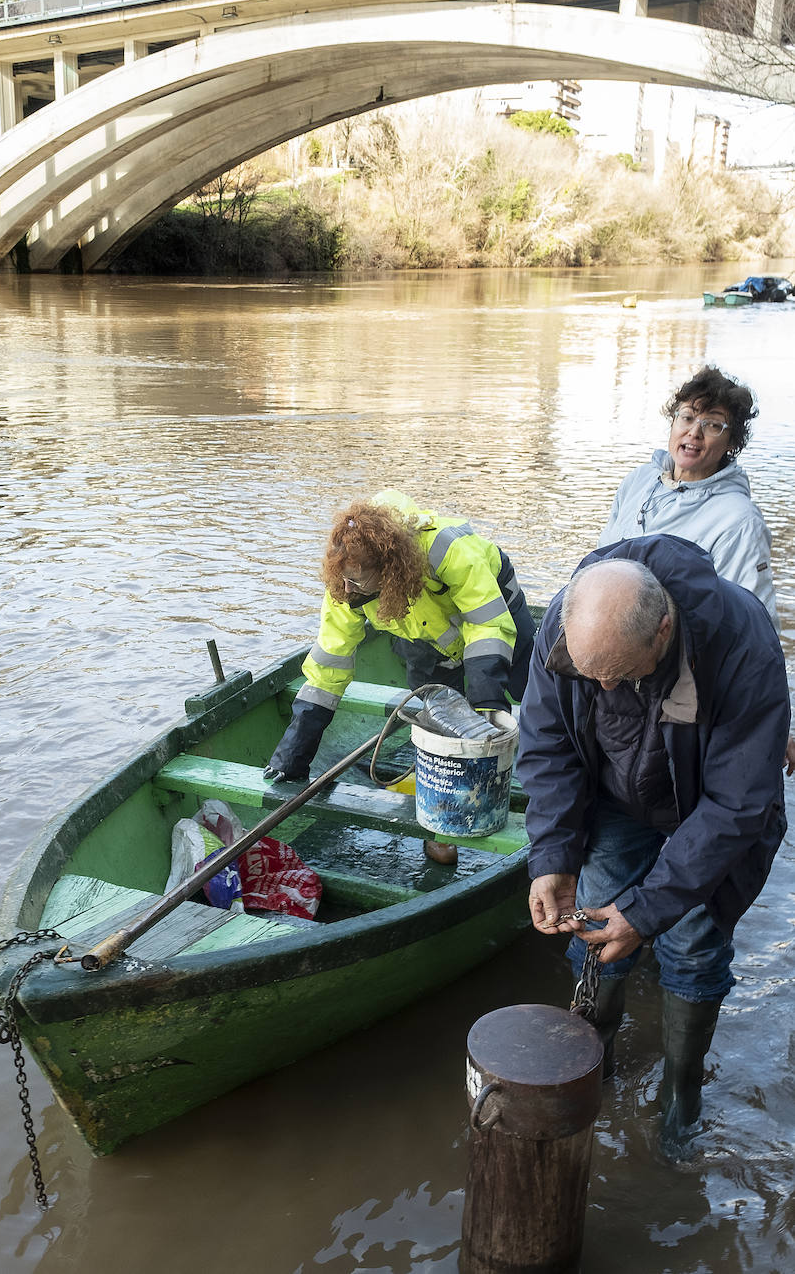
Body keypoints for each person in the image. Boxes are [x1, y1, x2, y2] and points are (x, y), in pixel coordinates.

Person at [517, 536, 788, 1158]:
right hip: (618, 798)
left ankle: (681, 1095)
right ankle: (595, 1061)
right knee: (593, 915)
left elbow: (737, 804)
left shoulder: (742, 644)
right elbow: (548, 743)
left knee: (691, 941)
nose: (604, 684)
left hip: (707, 806)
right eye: (592, 674)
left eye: (618, 671)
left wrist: (648, 911)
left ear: (663, 628)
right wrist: (553, 855)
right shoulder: (569, 624)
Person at [265, 489, 536, 862]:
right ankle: (444, 828)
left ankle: (542, 792)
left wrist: (486, 703)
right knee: (440, 722)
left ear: (391, 569)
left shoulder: (448, 550)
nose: (348, 592)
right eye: (342, 581)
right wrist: (294, 752)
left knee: (531, 694)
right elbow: (329, 664)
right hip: (424, 637)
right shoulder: (345, 587)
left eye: (358, 583)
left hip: (495, 614)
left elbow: (487, 624)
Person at [599, 364, 794, 773]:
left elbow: (755, 626)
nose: (694, 433)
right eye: (687, 417)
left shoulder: (738, 521)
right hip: (609, 676)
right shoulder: (637, 482)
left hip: (672, 688)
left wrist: (779, 725)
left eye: (713, 425)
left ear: (731, 443)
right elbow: (596, 572)